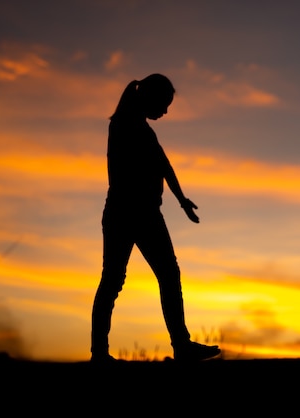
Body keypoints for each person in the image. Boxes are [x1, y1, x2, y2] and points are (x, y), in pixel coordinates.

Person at [91, 74, 220, 362]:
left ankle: (181, 345)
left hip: (143, 213)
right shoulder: (124, 125)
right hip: (129, 213)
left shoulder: (143, 129)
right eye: (164, 104)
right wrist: (159, 200)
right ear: (149, 97)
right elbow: (128, 174)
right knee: (114, 280)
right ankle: (100, 353)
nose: (166, 111)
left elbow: (164, 165)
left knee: (164, 274)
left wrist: (182, 200)